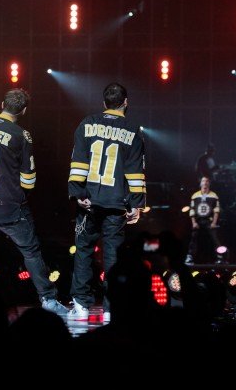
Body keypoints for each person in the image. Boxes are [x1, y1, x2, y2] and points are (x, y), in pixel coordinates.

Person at [0, 89, 68, 315]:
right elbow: (28, 179)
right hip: (8, 207)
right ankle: (49, 300)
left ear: (2, 104)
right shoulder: (21, 135)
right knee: (31, 252)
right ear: (24, 111)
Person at [68, 82, 145, 322]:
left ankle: (81, 305)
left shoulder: (87, 123)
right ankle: (111, 309)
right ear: (125, 102)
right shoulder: (133, 131)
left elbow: (78, 162)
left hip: (89, 201)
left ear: (104, 103)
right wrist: (137, 204)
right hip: (116, 203)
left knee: (84, 251)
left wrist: (77, 193)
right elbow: (135, 171)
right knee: (113, 256)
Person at [185, 176, 222, 265]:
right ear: (200, 183)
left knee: (215, 238)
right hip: (198, 221)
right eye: (203, 181)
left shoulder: (214, 195)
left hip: (209, 221)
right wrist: (194, 222)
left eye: (207, 181)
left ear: (209, 183)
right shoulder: (195, 195)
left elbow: (216, 210)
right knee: (194, 238)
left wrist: (214, 222)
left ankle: (220, 256)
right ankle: (190, 256)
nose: (205, 183)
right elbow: (192, 210)